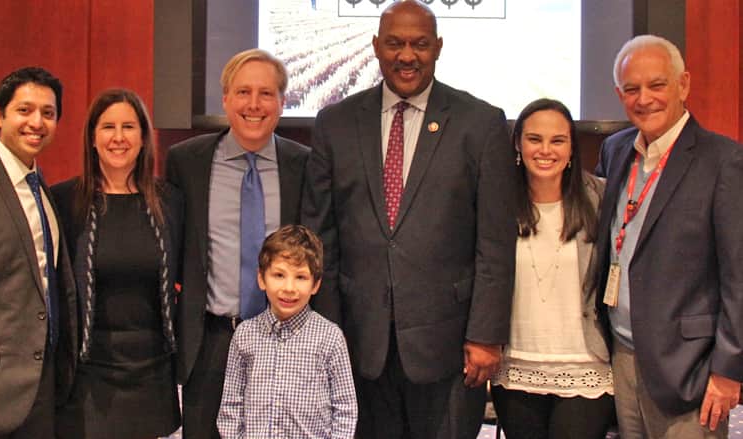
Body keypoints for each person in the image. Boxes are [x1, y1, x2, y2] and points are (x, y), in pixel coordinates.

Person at [301, 1, 517, 437]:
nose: (407, 55)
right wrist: (326, 338)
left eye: (419, 44)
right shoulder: (335, 123)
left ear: (438, 47)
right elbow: (319, 239)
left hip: (451, 349)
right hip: (359, 348)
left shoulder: (481, 123)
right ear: (377, 46)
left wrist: (486, 336)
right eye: (395, 43)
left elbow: (495, 242)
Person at [595, 34, 743, 438]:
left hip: (689, 367)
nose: (644, 99)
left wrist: (729, 370)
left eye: (657, 85)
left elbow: (739, 277)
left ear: (683, 85)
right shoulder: (615, 149)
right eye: (632, 89)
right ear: (618, 94)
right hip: (622, 354)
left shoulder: (725, 161)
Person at [165, 48, 311, 439]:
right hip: (211, 343)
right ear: (225, 98)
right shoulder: (186, 161)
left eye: (266, 94)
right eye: (243, 92)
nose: (254, 104)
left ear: (283, 102)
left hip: (286, 340)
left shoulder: (305, 165)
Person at [51, 88, 182, 438]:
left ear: (143, 138)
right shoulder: (63, 201)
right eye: (108, 127)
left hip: (153, 377)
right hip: (87, 379)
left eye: (129, 126)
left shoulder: (170, 202)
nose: (119, 137)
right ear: (92, 138)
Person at [489, 98, 615, 438]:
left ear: (572, 146)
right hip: (514, 368)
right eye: (534, 139)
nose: (546, 150)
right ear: (518, 144)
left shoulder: (601, 199)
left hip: (585, 366)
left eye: (557, 140)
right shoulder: (496, 202)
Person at [0, 67, 78, 438]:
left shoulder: (41, 187)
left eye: (48, 113)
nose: (37, 122)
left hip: (42, 393)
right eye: (24, 110)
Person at [216, 225, 357, 438]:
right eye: (279, 275)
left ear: (315, 284)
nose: (289, 288)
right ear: (262, 278)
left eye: (300, 277)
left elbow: (345, 409)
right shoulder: (244, 335)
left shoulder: (331, 337)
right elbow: (231, 405)